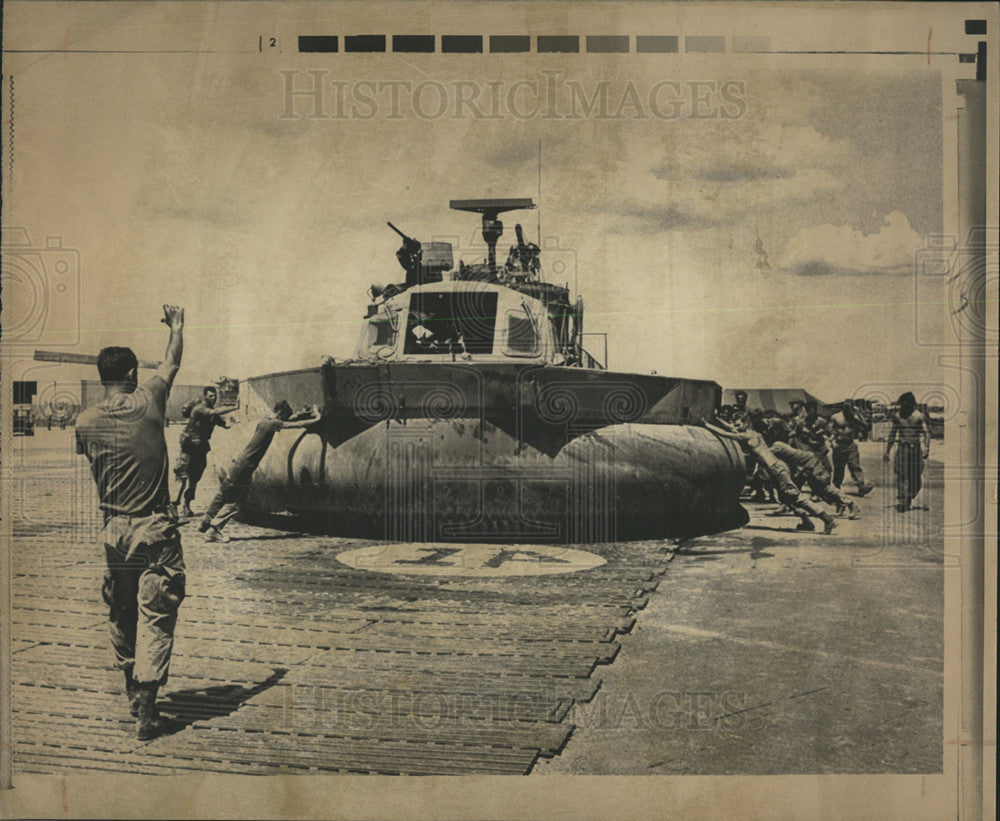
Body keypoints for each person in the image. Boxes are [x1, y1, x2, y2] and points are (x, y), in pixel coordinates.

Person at [75, 305, 185, 740]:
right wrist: (177, 326)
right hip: (155, 529)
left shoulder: (85, 422)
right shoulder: (150, 400)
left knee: (121, 608)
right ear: (135, 372)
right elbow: (173, 361)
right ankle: (149, 709)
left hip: (114, 531)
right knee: (156, 613)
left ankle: (129, 688)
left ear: (103, 377)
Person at [198, 402, 322, 542]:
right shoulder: (272, 424)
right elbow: (294, 425)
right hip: (245, 468)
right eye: (284, 416)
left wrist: (300, 415)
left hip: (238, 464)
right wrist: (316, 417)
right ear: (280, 413)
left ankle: (205, 521)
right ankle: (215, 530)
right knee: (238, 502)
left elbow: (285, 422)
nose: (284, 420)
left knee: (223, 494)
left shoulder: (265, 422)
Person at [702, 413, 837, 534]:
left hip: (776, 469)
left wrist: (706, 424)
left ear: (745, 423)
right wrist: (717, 419)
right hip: (774, 469)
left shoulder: (747, 435)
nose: (736, 426)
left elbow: (728, 434)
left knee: (795, 496)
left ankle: (827, 519)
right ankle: (807, 522)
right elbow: (732, 429)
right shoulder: (753, 433)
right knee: (785, 498)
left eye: (738, 424)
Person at [173, 385, 238, 517]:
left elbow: (225, 424)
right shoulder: (199, 408)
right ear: (205, 396)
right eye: (210, 396)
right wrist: (235, 407)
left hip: (201, 449)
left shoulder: (213, 414)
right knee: (182, 477)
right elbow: (213, 413)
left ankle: (186, 505)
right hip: (189, 448)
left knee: (194, 480)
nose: (213, 398)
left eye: (215, 396)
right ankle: (173, 506)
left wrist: (235, 423)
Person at [884, 391, 930, 512]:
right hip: (903, 448)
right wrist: (887, 451)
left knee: (916, 477)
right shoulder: (897, 416)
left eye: (906, 404)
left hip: (916, 449)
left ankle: (909, 496)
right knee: (902, 476)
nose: (903, 406)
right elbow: (893, 434)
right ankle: (903, 501)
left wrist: (926, 448)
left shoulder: (919, 416)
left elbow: (926, 433)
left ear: (912, 404)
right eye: (902, 404)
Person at [830, 405, 874, 496]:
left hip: (850, 444)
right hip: (839, 445)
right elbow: (829, 430)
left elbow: (866, 425)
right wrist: (832, 441)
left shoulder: (855, 417)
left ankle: (861, 486)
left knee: (855, 465)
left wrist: (860, 415)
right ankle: (837, 486)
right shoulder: (836, 417)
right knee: (839, 468)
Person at [793, 399, 834, 475]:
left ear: (815, 410)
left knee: (828, 469)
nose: (809, 413)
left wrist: (829, 441)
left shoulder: (822, 421)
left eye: (811, 411)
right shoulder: (801, 423)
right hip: (809, 450)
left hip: (821, 449)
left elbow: (831, 433)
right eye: (808, 411)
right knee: (808, 471)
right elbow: (796, 437)